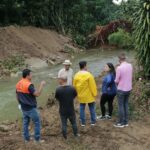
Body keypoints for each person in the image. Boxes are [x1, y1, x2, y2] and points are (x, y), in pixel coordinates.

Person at [16, 69, 46, 143]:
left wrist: (20, 103)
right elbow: (37, 94)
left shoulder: (18, 83)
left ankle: (26, 139)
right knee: (37, 122)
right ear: (27, 75)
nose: (32, 76)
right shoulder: (29, 85)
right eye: (31, 74)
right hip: (30, 108)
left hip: (23, 107)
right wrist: (41, 85)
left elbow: (17, 95)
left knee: (25, 123)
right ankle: (37, 139)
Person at [73, 61, 97, 126]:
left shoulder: (76, 75)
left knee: (81, 108)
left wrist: (75, 94)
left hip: (80, 95)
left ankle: (83, 122)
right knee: (91, 107)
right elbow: (92, 86)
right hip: (89, 95)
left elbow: (74, 86)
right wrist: (94, 94)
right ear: (85, 66)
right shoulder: (89, 75)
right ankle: (93, 121)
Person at [55, 73, 79, 139]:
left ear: (62, 80)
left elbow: (57, 98)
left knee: (64, 124)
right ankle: (76, 134)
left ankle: (65, 137)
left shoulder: (58, 89)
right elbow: (75, 95)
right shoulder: (72, 88)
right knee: (74, 123)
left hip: (62, 110)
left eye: (59, 79)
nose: (59, 80)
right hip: (71, 109)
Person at [114, 53, 133, 128]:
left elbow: (116, 80)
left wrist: (116, 82)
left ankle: (121, 123)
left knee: (120, 106)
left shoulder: (119, 68)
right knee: (126, 104)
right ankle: (126, 122)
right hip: (128, 88)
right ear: (125, 58)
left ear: (119, 59)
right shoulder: (130, 65)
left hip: (121, 89)